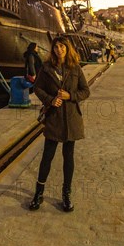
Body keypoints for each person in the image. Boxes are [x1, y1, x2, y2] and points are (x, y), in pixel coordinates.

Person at [29, 36, 90, 212]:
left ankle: (66, 194)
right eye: (56, 47)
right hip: (54, 119)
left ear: (67, 48)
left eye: (62, 47)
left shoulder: (75, 68)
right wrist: (50, 100)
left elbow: (85, 91)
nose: (59, 50)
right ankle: (38, 194)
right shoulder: (46, 68)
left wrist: (69, 96)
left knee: (68, 157)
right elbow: (37, 88)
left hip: (71, 118)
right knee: (47, 156)